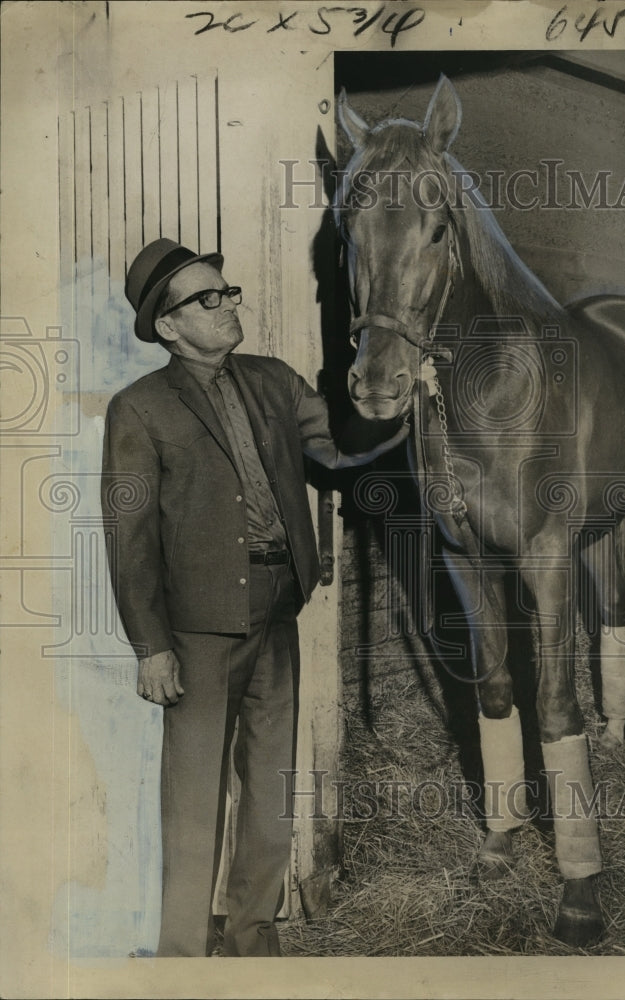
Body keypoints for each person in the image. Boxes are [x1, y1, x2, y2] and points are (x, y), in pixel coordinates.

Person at [101, 238, 408, 957]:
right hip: (199, 628)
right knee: (194, 798)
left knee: (272, 784)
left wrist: (397, 409)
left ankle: (252, 932)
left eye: (227, 289)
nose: (227, 302)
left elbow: (334, 448)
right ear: (168, 327)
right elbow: (130, 538)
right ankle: (181, 953)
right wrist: (150, 647)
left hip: (276, 607)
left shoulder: (272, 380)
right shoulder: (138, 409)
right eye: (206, 298)